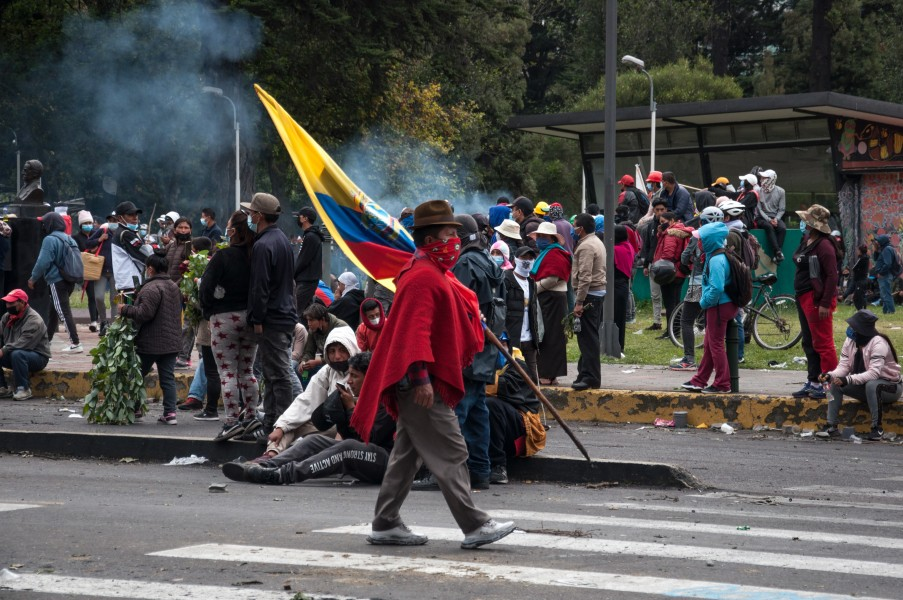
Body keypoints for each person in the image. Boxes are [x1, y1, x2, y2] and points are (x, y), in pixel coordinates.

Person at [349, 199, 516, 549]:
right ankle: (475, 525)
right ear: (429, 239)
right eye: (448, 234)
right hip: (419, 382)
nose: (455, 241)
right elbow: (415, 334)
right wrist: (422, 378)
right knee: (452, 450)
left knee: (406, 455)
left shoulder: (432, 271)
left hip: (417, 379)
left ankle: (385, 522)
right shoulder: (422, 276)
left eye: (455, 234)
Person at [223, 350, 396, 485]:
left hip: (388, 462)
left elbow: (372, 438)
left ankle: (281, 475)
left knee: (347, 447)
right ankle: (264, 466)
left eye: (355, 376)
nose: (349, 381)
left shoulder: (388, 401)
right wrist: (341, 413)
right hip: (365, 455)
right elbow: (351, 435)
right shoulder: (362, 399)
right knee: (314, 441)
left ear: (371, 378)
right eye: (349, 375)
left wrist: (350, 409)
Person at [447, 213, 505, 490]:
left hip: (468, 350)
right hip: (485, 350)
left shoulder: (465, 264)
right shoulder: (489, 261)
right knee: (477, 412)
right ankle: (481, 471)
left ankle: (449, 473)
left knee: (457, 412)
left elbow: (455, 309)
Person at [199, 210, 261, 440]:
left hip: (223, 320)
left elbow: (206, 288)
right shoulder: (257, 256)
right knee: (247, 370)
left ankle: (232, 421)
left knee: (227, 372)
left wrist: (208, 311)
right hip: (251, 319)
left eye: (228, 226)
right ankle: (251, 417)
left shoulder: (222, 256)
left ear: (233, 231)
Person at [244, 192, 298, 436]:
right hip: (283, 315)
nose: (249, 217)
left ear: (258, 216)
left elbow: (260, 287)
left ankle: (283, 427)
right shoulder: (282, 239)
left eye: (251, 213)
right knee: (272, 373)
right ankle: (270, 425)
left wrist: (257, 319)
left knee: (280, 376)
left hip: (272, 319)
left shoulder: (263, 244)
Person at [263, 326, 359, 457]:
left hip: (353, 430)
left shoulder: (362, 370)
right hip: (329, 424)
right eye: (332, 351)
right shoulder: (328, 371)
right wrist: (281, 427)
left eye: (342, 350)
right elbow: (307, 400)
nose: (337, 356)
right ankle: (270, 455)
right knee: (288, 425)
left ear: (351, 348)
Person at [816, 310, 901, 441]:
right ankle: (831, 426)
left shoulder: (879, 343)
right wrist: (830, 376)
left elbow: (873, 374)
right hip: (865, 387)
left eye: (853, 327)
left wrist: (847, 379)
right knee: (835, 383)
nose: (850, 329)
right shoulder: (850, 341)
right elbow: (844, 366)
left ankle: (877, 428)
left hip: (890, 388)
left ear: (862, 330)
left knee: (872, 385)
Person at [118, 251, 183, 424]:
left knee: (137, 376)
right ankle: (170, 413)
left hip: (151, 342)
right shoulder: (173, 286)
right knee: (167, 378)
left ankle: (135, 408)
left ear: (151, 269)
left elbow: (144, 314)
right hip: (171, 341)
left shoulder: (151, 288)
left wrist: (125, 309)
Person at [681, 222, 738, 394]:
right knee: (710, 344)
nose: (698, 243)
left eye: (701, 239)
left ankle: (722, 384)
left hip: (719, 305)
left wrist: (704, 303)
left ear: (710, 240)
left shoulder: (716, 260)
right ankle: (699, 380)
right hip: (721, 304)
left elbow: (717, 287)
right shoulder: (716, 255)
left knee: (716, 345)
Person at [791, 205, 840, 400]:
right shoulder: (807, 240)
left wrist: (825, 303)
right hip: (804, 296)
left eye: (806, 221)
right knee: (809, 342)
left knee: (823, 343)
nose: (803, 223)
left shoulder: (824, 246)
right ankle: (814, 381)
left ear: (813, 224)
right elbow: (798, 259)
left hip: (816, 299)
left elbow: (832, 276)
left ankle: (829, 385)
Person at [672, 206, 724, 371]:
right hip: (717, 283)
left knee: (686, 320)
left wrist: (692, 262)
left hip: (698, 282)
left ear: (702, 221)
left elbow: (684, 257)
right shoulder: (724, 236)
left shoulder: (698, 235)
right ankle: (713, 360)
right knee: (711, 322)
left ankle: (689, 358)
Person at [486, 348, 546, 484]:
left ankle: (498, 466)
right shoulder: (477, 362)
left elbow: (497, 387)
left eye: (503, 343)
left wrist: (475, 376)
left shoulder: (518, 366)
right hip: (484, 434)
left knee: (491, 405)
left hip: (519, 434)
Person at [28, 211, 82, 353]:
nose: (43, 226)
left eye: (44, 223)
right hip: (69, 279)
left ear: (50, 224)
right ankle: (47, 340)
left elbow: (42, 262)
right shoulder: (69, 238)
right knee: (54, 311)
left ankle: (75, 343)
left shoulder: (50, 239)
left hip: (56, 280)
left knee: (63, 311)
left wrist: (33, 278)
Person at [529, 221, 572, 386]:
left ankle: (548, 374)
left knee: (551, 337)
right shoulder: (547, 253)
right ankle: (548, 373)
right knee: (546, 335)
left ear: (551, 238)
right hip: (548, 298)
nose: (539, 239)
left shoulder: (555, 254)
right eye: (539, 236)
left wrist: (533, 289)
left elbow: (552, 279)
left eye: (543, 236)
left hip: (552, 298)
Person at [570, 213, 606, 390]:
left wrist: (579, 302)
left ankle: (591, 377)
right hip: (595, 293)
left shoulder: (586, 246)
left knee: (588, 339)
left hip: (589, 295)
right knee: (588, 337)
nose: (573, 230)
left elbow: (585, 276)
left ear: (581, 229)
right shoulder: (595, 241)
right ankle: (584, 372)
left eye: (574, 226)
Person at [0, 289, 50, 400]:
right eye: (7, 303)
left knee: (17, 354)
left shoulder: (34, 320)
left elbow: (23, 343)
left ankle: (23, 389)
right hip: (14, 353)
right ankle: (2, 388)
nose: (8, 306)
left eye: (11, 303)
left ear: (22, 302)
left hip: (37, 356)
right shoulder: (7, 317)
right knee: (15, 353)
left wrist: (3, 350)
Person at [652, 211, 694, 338]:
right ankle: (675, 330)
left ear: (672, 221)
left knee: (670, 303)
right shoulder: (680, 231)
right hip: (679, 271)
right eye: (660, 222)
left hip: (669, 272)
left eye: (663, 222)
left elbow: (668, 254)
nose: (661, 224)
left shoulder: (671, 234)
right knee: (676, 302)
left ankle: (672, 332)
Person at [504, 246, 541, 383]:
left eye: (530, 258)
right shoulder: (506, 280)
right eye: (523, 257)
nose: (527, 261)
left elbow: (533, 312)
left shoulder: (531, 283)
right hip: (513, 340)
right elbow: (501, 311)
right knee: (513, 378)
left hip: (529, 340)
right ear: (515, 260)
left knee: (533, 381)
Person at [110, 201, 153, 293]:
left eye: (136, 214)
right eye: (130, 215)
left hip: (127, 282)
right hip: (130, 284)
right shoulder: (125, 234)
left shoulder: (125, 232)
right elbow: (145, 254)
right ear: (120, 218)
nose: (135, 217)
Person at [85, 215, 118, 336]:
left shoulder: (121, 234)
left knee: (114, 300)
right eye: (110, 220)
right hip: (101, 270)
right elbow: (88, 243)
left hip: (116, 271)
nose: (113, 223)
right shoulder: (103, 230)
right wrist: (99, 240)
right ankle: (103, 321)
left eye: (115, 221)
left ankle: (114, 326)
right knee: (98, 297)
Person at [640, 200, 668, 330]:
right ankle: (657, 322)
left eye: (662, 209)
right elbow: (647, 246)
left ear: (666, 210)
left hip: (668, 265)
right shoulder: (650, 226)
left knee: (669, 296)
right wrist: (646, 265)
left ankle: (672, 324)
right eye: (657, 210)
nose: (660, 212)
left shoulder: (672, 226)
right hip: (653, 263)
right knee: (655, 295)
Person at [300, 303, 348, 374]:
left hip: (341, 364)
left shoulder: (339, 327)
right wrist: (304, 361)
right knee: (301, 370)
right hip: (323, 363)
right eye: (308, 320)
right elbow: (309, 351)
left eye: (311, 320)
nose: (308, 323)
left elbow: (344, 355)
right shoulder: (313, 329)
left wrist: (319, 362)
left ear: (322, 319)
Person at [612, 224, 637, 356]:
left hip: (615, 285)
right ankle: (619, 345)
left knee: (614, 317)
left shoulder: (615, 249)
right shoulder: (628, 246)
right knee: (620, 318)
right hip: (624, 285)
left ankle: (614, 345)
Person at [293, 206, 324, 314]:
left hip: (306, 280)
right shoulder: (310, 235)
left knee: (294, 310)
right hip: (308, 279)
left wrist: (292, 274)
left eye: (300, 216)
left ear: (305, 218)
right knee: (306, 312)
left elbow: (303, 260)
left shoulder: (311, 236)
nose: (298, 218)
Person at [72, 210, 99, 331]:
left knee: (99, 296)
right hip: (86, 270)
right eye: (85, 223)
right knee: (92, 296)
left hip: (99, 269)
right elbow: (77, 253)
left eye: (90, 223)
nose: (88, 225)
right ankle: (94, 321)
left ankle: (100, 320)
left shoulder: (97, 234)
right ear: (81, 225)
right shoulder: (75, 238)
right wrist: (90, 252)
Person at [754, 169, 786, 262]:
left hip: (775, 217)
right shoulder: (758, 190)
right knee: (769, 227)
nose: (761, 180)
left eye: (764, 178)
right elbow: (759, 209)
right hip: (761, 218)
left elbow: (782, 209)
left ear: (771, 179)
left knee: (782, 228)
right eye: (761, 177)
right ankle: (778, 252)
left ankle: (777, 254)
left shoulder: (781, 191)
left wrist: (776, 219)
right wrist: (769, 220)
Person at [871, 234, 898, 314]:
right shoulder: (884, 249)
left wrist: (881, 272)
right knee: (884, 294)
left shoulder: (887, 249)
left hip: (885, 275)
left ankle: (891, 311)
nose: (876, 242)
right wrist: (876, 250)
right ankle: (886, 311)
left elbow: (888, 264)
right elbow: (876, 259)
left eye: (877, 241)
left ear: (882, 241)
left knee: (886, 293)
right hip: (884, 275)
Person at [847, 244, 871, 310]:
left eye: (858, 250)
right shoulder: (865, 258)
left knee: (858, 297)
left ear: (860, 251)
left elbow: (854, 268)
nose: (857, 252)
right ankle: (862, 309)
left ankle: (861, 310)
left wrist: (855, 271)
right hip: (862, 279)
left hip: (860, 280)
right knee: (860, 296)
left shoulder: (862, 258)